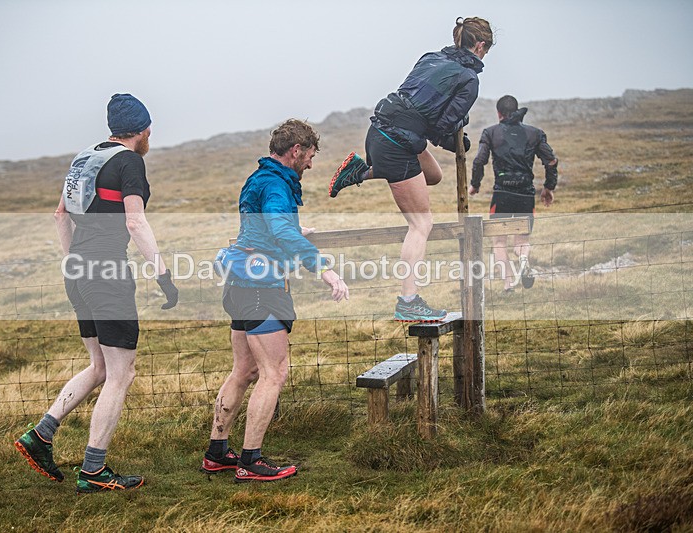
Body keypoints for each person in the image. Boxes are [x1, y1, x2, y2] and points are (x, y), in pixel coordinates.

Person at [14, 93, 179, 494]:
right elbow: (135, 222)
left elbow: (60, 215)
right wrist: (163, 274)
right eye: (149, 129)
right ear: (143, 130)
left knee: (100, 367)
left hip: (78, 271)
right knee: (121, 374)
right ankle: (93, 470)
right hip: (107, 273)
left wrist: (74, 262)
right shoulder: (130, 162)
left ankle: (40, 435)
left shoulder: (85, 158)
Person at [201, 119, 349, 482]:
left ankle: (217, 453)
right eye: (310, 156)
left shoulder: (260, 178)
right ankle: (251, 461)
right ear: (296, 151)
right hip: (262, 288)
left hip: (239, 285)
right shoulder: (276, 183)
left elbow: (263, 226)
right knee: (274, 373)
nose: (311, 164)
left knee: (244, 371)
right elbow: (279, 228)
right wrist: (325, 269)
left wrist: (294, 228)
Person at [328, 17, 494, 322]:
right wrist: (458, 141)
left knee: (434, 175)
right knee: (421, 224)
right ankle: (408, 301)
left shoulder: (430, 57)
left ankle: (360, 172)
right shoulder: (469, 79)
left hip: (382, 132)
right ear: (481, 46)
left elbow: (424, 111)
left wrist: (454, 131)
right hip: (398, 143)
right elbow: (440, 128)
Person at [469, 94, 558, 292]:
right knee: (522, 241)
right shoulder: (535, 134)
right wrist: (548, 187)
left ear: (498, 113)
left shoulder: (490, 133)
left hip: (502, 194)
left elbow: (479, 160)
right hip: (525, 195)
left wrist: (475, 185)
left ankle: (508, 284)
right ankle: (523, 259)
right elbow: (551, 161)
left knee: (499, 242)